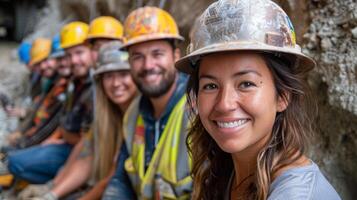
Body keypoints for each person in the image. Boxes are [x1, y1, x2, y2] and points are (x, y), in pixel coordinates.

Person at [175, 0, 341, 199]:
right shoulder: (225, 172)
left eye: (246, 84)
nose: (224, 104)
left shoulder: (295, 194)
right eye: (210, 86)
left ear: (282, 96)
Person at [102, 6, 192, 200]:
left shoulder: (198, 111)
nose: (148, 66)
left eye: (157, 54)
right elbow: (121, 179)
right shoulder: (134, 114)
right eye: (137, 57)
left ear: (176, 56)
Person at [7, 21, 93, 187]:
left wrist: (25, 143)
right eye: (67, 56)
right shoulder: (71, 84)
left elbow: (85, 141)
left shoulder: (88, 87)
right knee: (13, 159)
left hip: (76, 150)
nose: (71, 61)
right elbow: (52, 119)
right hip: (65, 144)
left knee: (14, 161)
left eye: (79, 53)